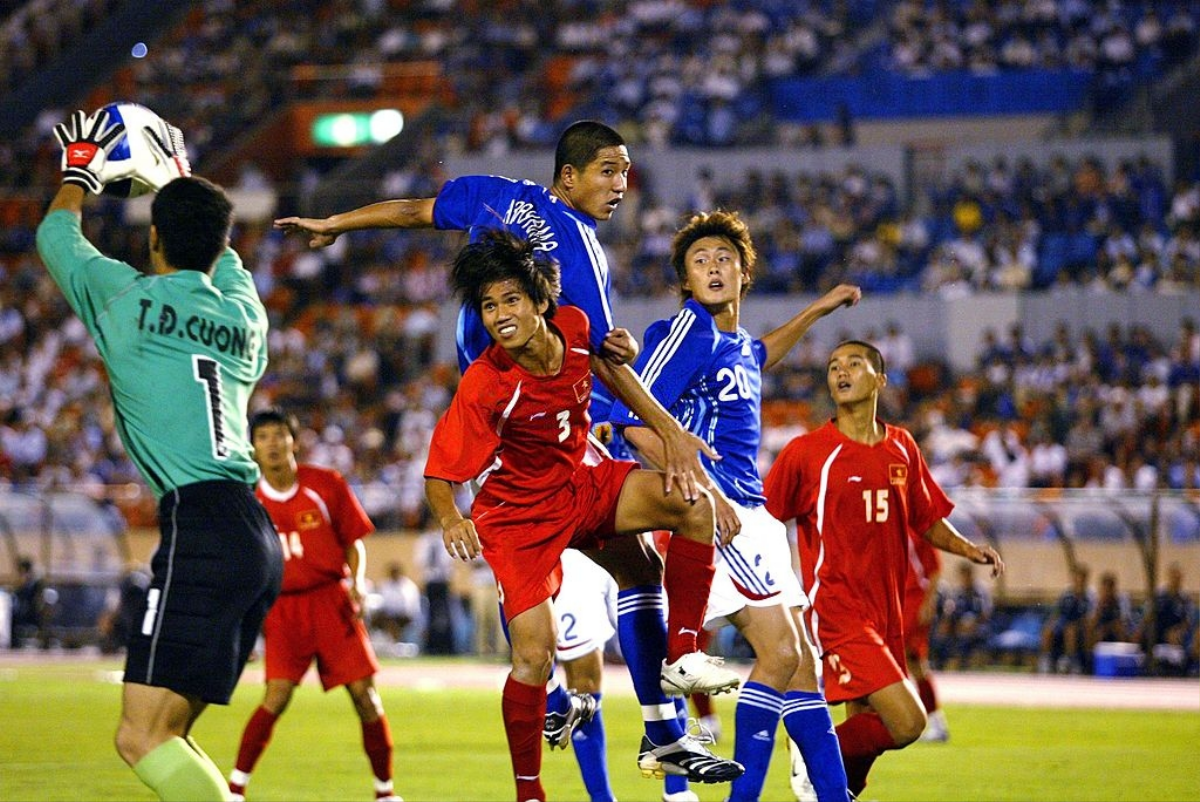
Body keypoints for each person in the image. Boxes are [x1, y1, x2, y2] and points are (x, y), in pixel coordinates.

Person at [278, 120, 738, 779]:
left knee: (638, 566)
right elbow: (609, 361)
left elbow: (413, 211)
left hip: (521, 422)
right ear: (570, 175)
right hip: (533, 439)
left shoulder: (495, 194)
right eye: (610, 171)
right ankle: (617, 712)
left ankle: (658, 719)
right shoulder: (582, 249)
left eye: (625, 171)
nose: (621, 185)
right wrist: (665, 427)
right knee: (557, 633)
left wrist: (337, 225)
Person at [423, 231, 744, 802]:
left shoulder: (573, 328)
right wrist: (451, 519)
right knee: (532, 656)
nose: (499, 316)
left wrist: (669, 431)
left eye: (510, 300)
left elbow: (615, 373)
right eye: (489, 307)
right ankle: (530, 791)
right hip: (518, 517)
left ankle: (685, 656)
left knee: (692, 504)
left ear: (540, 302)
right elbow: (440, 474)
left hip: (582, 486)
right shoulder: (487, 383)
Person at [37, 108, 282, 801]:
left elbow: (56, 231)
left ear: (153, 241)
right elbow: (221, 257)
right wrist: (180, 180)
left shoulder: (125, 298)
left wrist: (80, 169)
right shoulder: (244, 314)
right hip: (254, 533)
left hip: (200, 528)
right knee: (170, 734)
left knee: (139, 737)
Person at [609, 211, 855, 802]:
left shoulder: (736, 344)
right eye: (700, 262)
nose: (714, 268)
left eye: (724, 259)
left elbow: (764, 350)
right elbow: (628, 421)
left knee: (803, 669)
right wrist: (704, 490)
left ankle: (833, 793)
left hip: (756, 514)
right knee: (781, 653)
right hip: (721, 515)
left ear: (745, 274)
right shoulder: (687, 331)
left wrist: (818, 310)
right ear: (686, 283)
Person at [763, 339, 1005, 799]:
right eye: (834, 365)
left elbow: (926, 516)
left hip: (886, 611)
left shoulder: (902, 447)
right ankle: (815, 747)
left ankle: (837, 786)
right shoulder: (808, 452)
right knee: (908, 721)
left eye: (854, 363)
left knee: (866, 731)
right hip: (838, 607)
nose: (840, 371)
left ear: (880, 378)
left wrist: (967, 548)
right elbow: (764, 518)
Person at [227, 407, 401, 802]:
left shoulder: (325, 484)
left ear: (294, 440)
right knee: (276, 697)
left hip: (330, 600)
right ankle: (235, 789)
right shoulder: (247, 500)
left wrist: (356, 583)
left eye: (278, 435)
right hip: (282, 607)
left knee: (365, 696)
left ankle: (385, 792)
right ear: (252, 448)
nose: (272, 443)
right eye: (263, 437)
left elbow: (353, 541)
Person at [902, 530, 949, 743]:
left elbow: (935, 569)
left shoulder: (917, 529)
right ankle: (933, 721)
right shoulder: (893, 525)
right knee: (912, 663)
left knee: (908, 658)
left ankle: (928, 720)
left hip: (914, 599)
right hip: (900, 600)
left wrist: (929, 602)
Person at [931, 561, 994, 671]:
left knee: (969, 634)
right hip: (959, 626)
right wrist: (946, 622)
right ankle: (940, 664)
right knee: (940, 633)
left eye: (967, 575)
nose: (965, 578)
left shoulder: (980, 591)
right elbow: (950, 610)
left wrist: (972, 624)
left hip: (978, 626)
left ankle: (966, 664)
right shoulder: (958, 592)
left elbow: (985, 613)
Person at [1139, 562, 1197, 676]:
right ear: (1169, 577)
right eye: (1174, 577)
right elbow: (1147, 617)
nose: (1176, 580)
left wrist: (1178, 631)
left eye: (1178, 578)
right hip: (1158, 636)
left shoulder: (1184, 600)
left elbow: (1188, 622)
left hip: (1176, 638)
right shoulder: (1158, 596)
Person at [1038, 563, 1093, 675]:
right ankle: (1046, 660)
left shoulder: (1090, 595)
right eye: (1076, 578)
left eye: (1081, 578)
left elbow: (1090, 616)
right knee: (1048, 630)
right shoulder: (1067, 594)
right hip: (1064, 622)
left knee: (1070, 630)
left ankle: (1070, 661)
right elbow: (1057, 612)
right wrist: (1051, 623)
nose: (1078, 581)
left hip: (1081, 625)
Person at [374, 560, 423, 652]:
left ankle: (395, 645)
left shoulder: (408, 586)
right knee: (381, 619)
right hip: (388, 615)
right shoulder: (384, 585)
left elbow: (412, 606)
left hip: (405, 616)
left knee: (393, 622)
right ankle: (383, 645)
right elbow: (381, 603)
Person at [9, 556, 50, 649]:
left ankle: (43, 644)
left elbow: (40, 592)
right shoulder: (21, 586)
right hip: (21, 614)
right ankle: (13, 645)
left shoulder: (35, 583)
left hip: (33, 614)